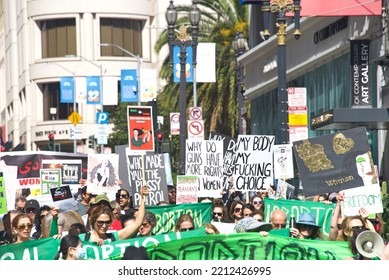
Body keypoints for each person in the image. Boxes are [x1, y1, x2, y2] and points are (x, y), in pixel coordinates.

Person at [79, 186, 149, 245]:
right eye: (100, 222)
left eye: (107, 222)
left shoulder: (114, 237)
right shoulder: (82, 239)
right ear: (92, 220)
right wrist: (91, 245)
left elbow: (137, 223)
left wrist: (143, 199)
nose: (104, 226)